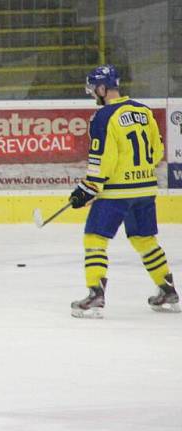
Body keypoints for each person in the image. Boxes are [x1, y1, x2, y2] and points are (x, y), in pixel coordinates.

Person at [69, 64, 178, 318]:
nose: (92, 95)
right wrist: (138, 172)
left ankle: (96, 294)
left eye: (93, 90)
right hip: (145, 189)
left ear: (102, 88)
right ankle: (167, 289)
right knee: (145, 240)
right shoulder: (143, 111)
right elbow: (157, 151)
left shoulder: (103, 117)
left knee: (95, 238)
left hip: (116, 192)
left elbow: (102, 157)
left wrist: (88, 189)